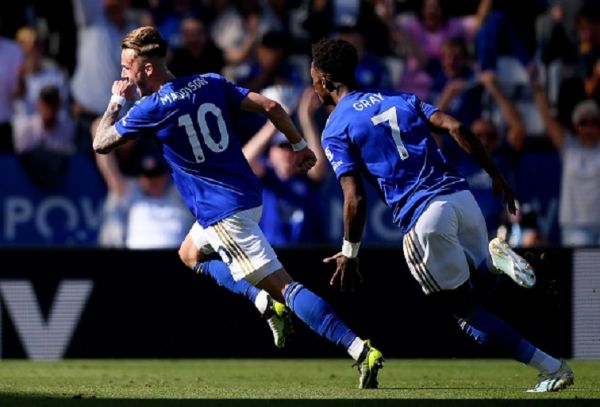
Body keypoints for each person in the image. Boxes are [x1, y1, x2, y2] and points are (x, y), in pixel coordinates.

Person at [92, 26, 382, 389]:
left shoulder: (151, 108)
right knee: (190, 253)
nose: (124, 76)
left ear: (147, 69)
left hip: (223, 214)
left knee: (286, 288)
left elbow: (101, 143)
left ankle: (358, 348)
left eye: (127, 68)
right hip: (247, 197)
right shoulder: (211, 81)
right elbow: (271, 107)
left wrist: (116, 102)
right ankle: (263, 303)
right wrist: (298, 146)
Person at [310, 37, 574, 393]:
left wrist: (351, 252)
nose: (313, 86)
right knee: (481, 285)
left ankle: (552, 368)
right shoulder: (400, 98)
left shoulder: (335, 128)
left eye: (313, 78)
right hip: (461, 197)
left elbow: (354, 198)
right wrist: (497, 176)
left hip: (422, 217)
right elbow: (457, 128)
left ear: (325, 80)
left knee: (465, 315)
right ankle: (494, 263)